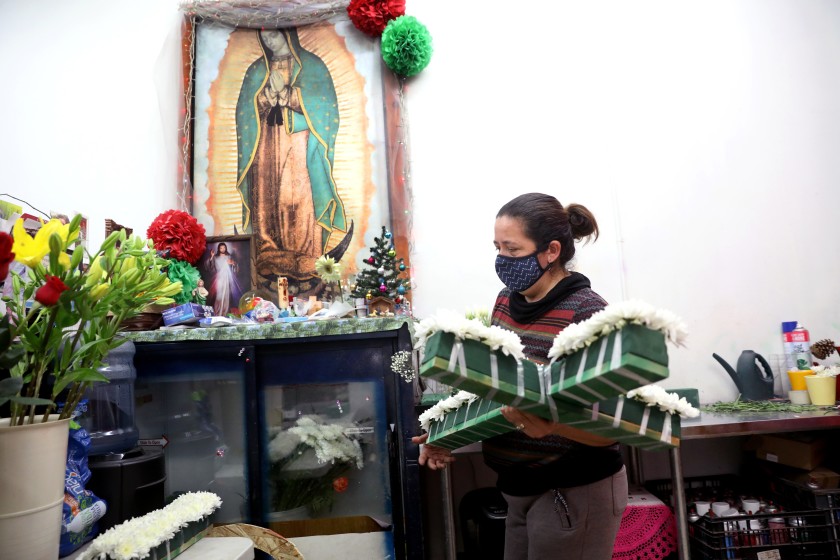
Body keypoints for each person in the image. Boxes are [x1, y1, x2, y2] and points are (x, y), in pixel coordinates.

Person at [413, 193, 628, 560]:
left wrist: (552, 427)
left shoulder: (588, 314)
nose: (502, 259)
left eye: (512, 249)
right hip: (517, 489)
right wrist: (445, 433)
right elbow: (500, 392)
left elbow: (612, 425)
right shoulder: (505, 301)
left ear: (551, 251)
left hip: (573, 489)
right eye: (497, 247)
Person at [235, 28, 348, 283]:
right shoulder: (256, 70)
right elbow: (244, 110)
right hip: (265, 142)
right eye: (264, 37)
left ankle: (306, 256)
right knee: (267, 195)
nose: (269, 41)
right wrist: (265, 96)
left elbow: (325, 107)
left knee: (297, 195)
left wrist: (288, 95)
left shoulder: (311, 67)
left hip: (298, 140)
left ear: (288, 34)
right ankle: (269, 254)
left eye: (273, 35)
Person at [206, 242, 243, 316]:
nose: (223, 249)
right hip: (219, 277)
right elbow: (210, 266)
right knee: (219, 295)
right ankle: (217, 311)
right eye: (221, 248)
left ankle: (225, 312)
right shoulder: (215, 257)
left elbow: (234, 266)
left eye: (224, 247)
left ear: (226, 248)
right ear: (219, 249)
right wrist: (212, 256)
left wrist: (233, 264)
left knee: (226, 295)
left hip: (227, 277)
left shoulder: (229, 256)